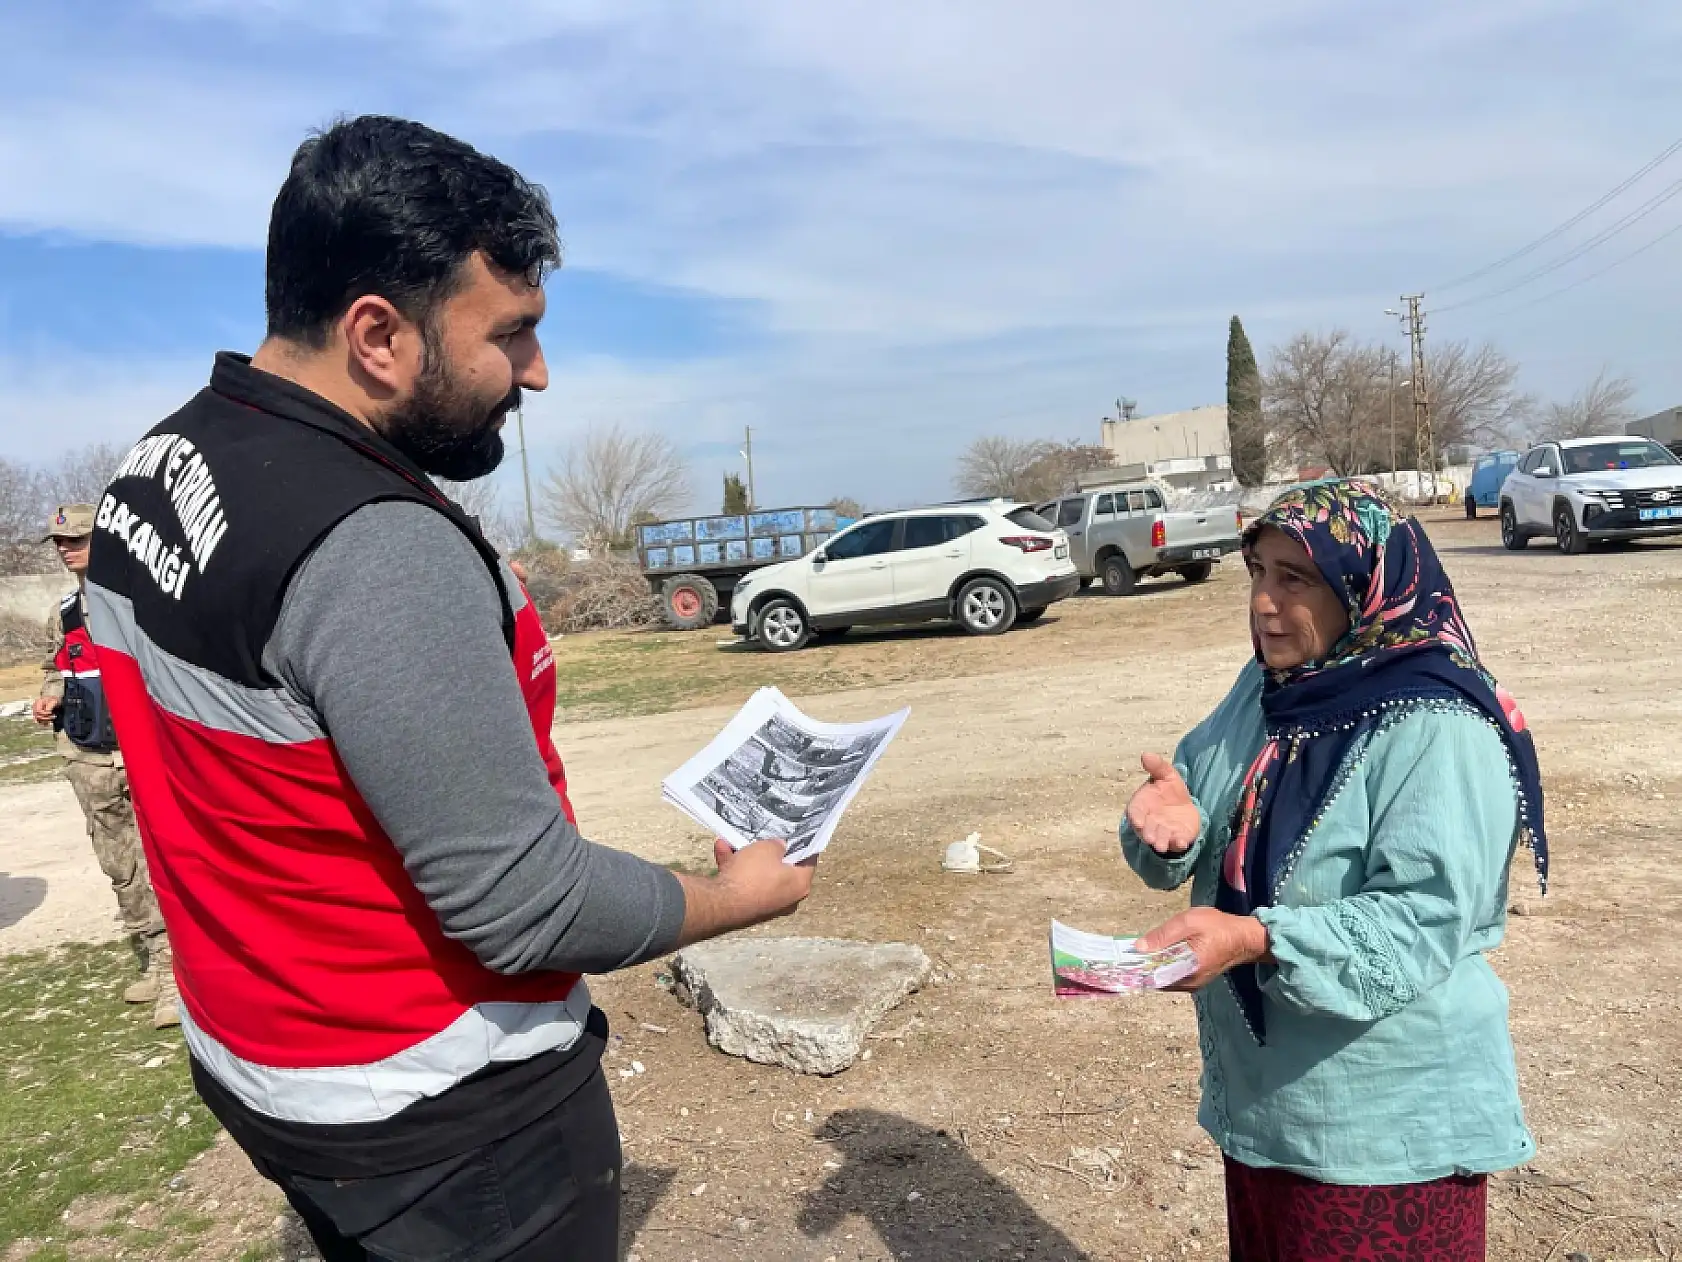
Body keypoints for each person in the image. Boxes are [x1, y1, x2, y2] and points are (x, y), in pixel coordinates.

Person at [83, 115, 814, 1262]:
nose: (536, 370)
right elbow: (524, 902)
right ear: (377, 332)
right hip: (439, 1114)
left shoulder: (163, 462)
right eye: (509, 332)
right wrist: (736, 895)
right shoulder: (373, 545)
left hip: (264, 1059)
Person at [1122, 479, 1544, 1262]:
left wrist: (1254, 940)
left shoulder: (1436, 722)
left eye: (1295, 578)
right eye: (1258, 572)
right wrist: (1173, 827)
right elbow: (1197, 797)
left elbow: (1422, 919)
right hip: (1267, 1111)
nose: (1263, 603)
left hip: (1384, 1132)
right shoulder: (1269, 690)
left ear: (1362, 585)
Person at [32, 503, 178, 1028]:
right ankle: (155, 958)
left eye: (77, 539)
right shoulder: (65, 612)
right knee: (120, 865)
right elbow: (57, 666)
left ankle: (177, 971)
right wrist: (50, 694)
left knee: (161, 859)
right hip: (88, 756)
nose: (65, 548)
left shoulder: (140, 601)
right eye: (59, 542)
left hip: (144, 752)